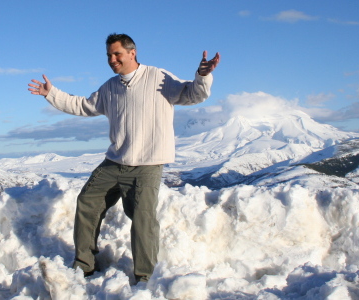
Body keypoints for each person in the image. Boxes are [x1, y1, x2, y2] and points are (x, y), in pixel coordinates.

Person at [28, 33, 220, 283]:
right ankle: (84, 264)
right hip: (115, 162)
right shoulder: (111, 86)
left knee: (142, 219)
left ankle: (144, 277)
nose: (112, 59)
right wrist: (51, 93)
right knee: (87, 202)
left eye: (117, 54)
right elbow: (84, 105)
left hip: (147, 164)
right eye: (109, 55)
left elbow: (194, 94)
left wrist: (202, 76)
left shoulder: (158, 77)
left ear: (132, 52)